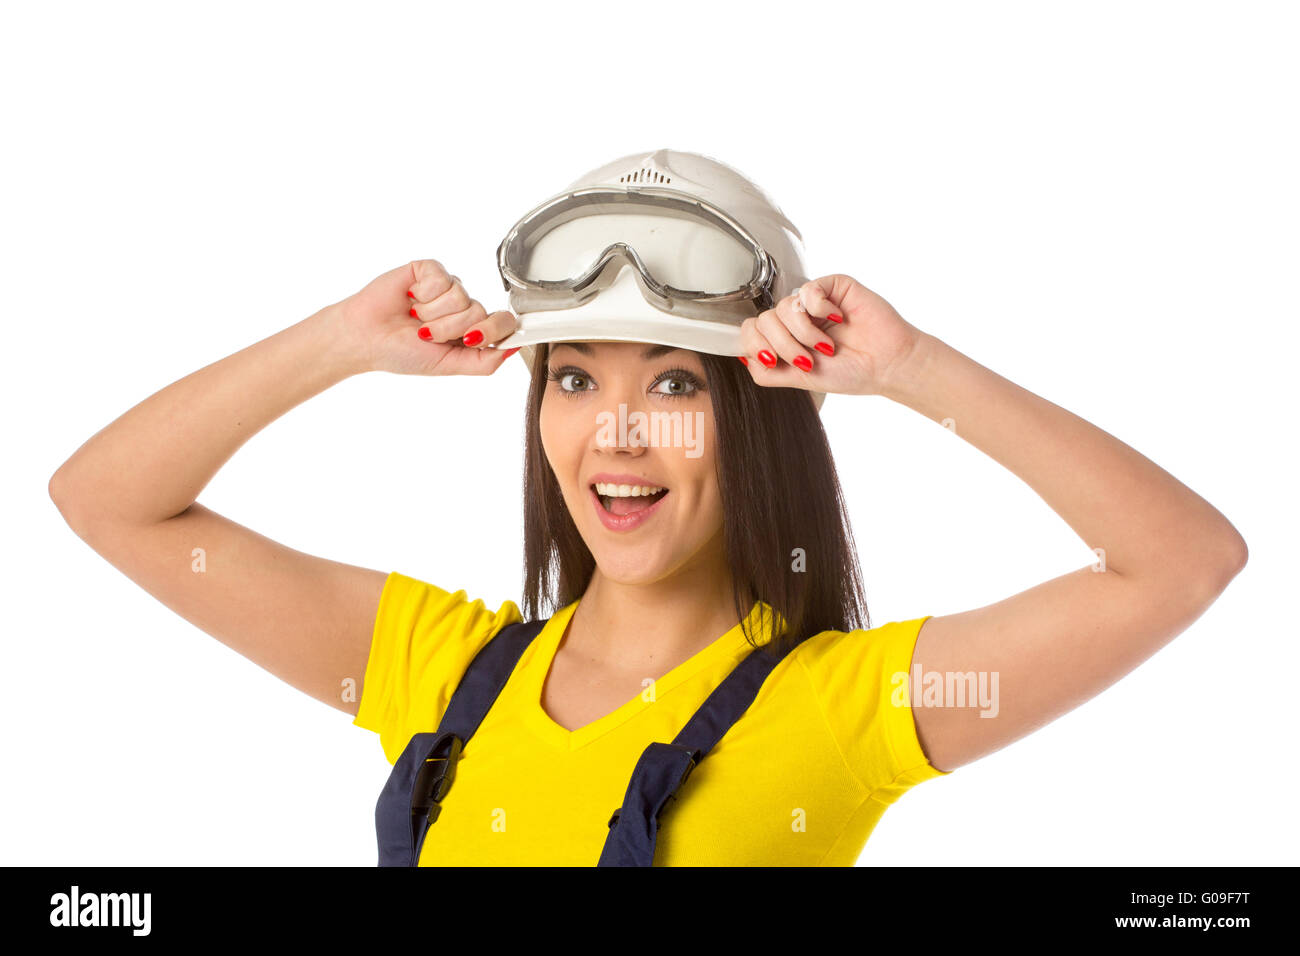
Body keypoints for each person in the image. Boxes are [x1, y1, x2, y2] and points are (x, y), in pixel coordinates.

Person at [48, 149, 1248, 867]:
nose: (614, 433)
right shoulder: (438, 674)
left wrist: (910, 369)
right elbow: (106, 499)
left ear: (761, 412)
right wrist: (334, 344)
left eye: (675, 382)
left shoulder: (845, 710)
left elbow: (1180, 561)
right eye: (575, 377)